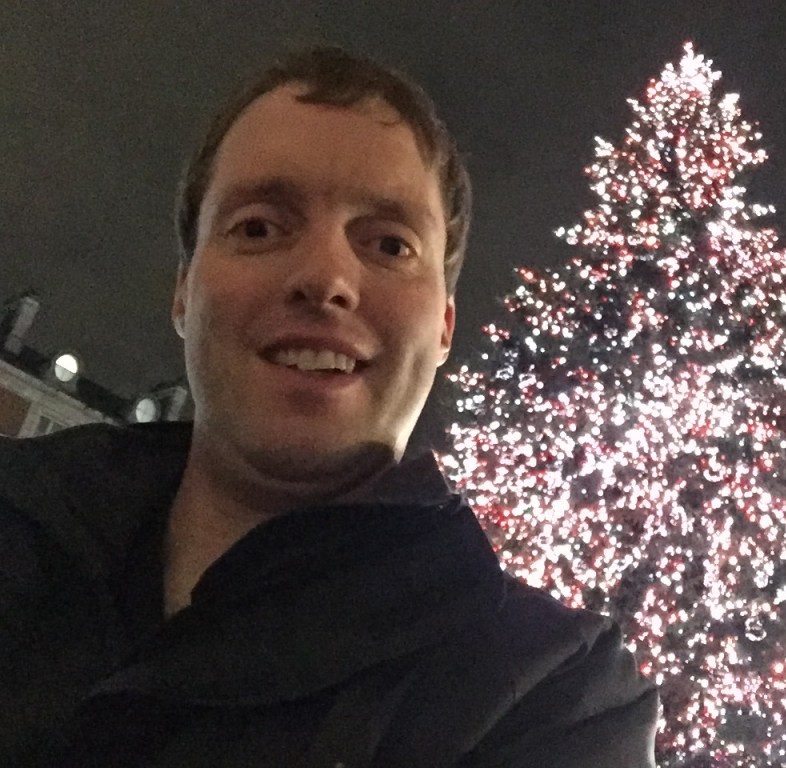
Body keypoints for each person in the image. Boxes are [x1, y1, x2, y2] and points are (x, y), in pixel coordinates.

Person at [0, 47, 658, 767]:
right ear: (184, 290)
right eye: (258, 227)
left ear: (444, 325)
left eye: (388, 243)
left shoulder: (554, 698)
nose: (325, 277)